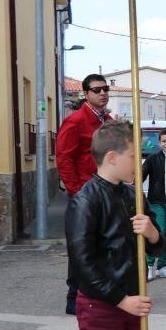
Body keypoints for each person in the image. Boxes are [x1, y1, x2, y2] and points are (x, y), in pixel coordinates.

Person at [66, 121, 163, 330]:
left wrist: (151, 232)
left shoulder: (132, 194)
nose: (139, 162)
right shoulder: (85, 201)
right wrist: (122, 300)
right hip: (103, 307)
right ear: (111, 157)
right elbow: (83, 265)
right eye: (134, 156)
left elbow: (156, 247)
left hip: (130, 305)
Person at [56, 73, 111, 315]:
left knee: (105, 244)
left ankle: (101, 293)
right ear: (86, 94)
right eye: (97, 90)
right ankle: (74, 298)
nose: (103, 93)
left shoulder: (107, 120)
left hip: (107, 193)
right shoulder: (76, 121)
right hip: (85, 194)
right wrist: (76, 192)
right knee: (82, 246)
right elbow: (64, 157)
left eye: (105, 89)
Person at [141, 127, 166, 281]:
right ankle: (149, 267)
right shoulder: (153, 159)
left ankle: (162, 267)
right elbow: (141, 175)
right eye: (163, 141)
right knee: (159, 231)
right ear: (159, 142)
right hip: (156, 201)